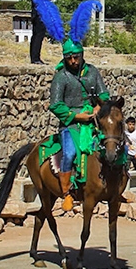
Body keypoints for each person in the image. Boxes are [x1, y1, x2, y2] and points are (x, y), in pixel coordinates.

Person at [48, 36, 109, 212]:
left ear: (82, 55)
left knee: (113, 145)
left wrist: (98, 107)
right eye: (69, 58)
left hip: (94, 122)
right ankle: (67, 192)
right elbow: (55, 105)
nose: (73, 61)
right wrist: (76, 116)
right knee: (69, 153)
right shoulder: (61, 77)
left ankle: (115, 186)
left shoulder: (92, 72)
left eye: (76, 57)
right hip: (71, 124)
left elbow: (104, 94)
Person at [29, 0, 58, 65]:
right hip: (40, 13)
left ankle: (33, 57)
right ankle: (36, 58)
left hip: (35, 12)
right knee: (39, 35)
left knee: (35, 35)